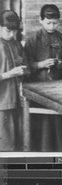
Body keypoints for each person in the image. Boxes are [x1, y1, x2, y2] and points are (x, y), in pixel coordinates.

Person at [24, 4, 62, 151]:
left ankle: (60, 151)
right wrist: (40, 64)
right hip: (39, 88)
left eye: (55, 23)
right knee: (43, 122)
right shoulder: (33, 40)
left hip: (58, 89)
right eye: (48, 23)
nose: (52, 26)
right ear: (41, 20)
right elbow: (25, 66)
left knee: (58, 121)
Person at [0, 10, 29, 151]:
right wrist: (9, 74)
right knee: (5, 145)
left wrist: (24, 70)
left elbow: (26, 66)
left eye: (14, 31)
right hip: (2, 103)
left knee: (19, 142)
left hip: (17, 100)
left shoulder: (17, 44)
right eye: (8, 31)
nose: (11, 35)